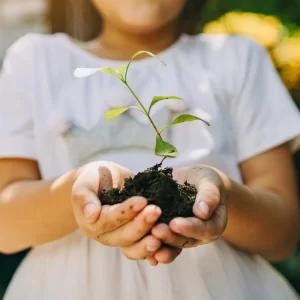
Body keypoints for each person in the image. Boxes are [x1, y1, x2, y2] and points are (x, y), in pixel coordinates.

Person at [0, 0, 300, 299]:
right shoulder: (35, 62)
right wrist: (78, 196)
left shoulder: (236, 58)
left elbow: (283, 234)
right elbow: (6, 224)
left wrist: (221, 191)